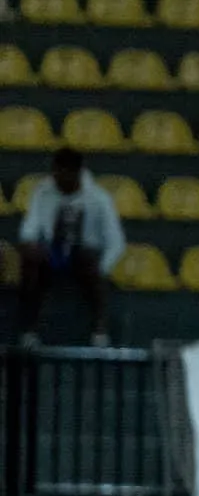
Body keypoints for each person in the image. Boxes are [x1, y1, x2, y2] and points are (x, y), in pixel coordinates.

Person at [17, 147, 126, 347]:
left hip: (83, 257)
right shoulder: (42, 192)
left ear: (76, 173)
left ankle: (99, 332)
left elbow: (116, 242)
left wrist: (102, 268)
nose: (58, 180)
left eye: (64, 175)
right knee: (30, 261)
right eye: (56, 173)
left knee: (90, 259)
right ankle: (29, 332)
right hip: (52, 253)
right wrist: (31, 244)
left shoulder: (99, 198)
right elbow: (29, 228)